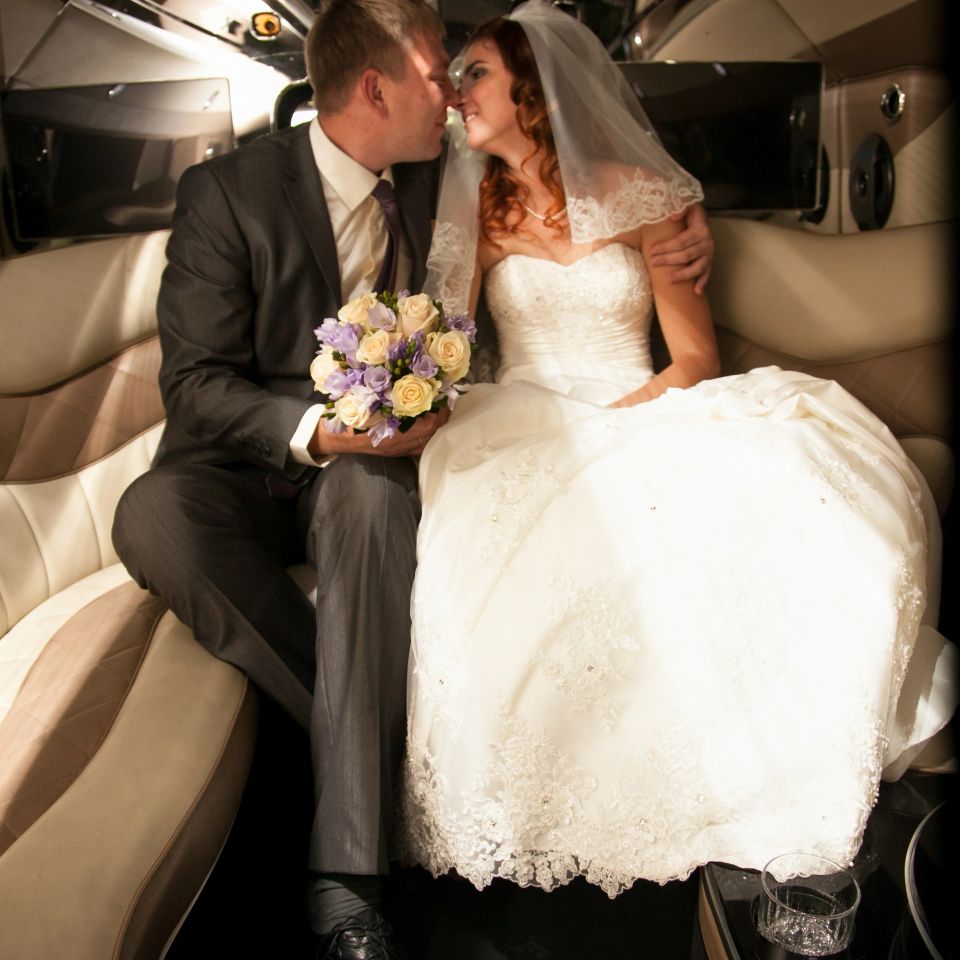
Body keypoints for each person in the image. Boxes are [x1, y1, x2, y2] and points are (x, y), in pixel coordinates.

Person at [111, 0, 711, 955]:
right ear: (376, 87)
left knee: (366, 496)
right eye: (442, 74)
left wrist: (683, 234)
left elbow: (592, 191)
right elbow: (194, 387)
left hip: (377, 462)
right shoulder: (226, 193)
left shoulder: (454, 173)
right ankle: (386, 738)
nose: (454, 93)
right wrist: (316, 430)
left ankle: (346, 878)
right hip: (255, 458)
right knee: (149, 517)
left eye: (468, 77)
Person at [398, 0, 956, 898]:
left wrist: (622, 414)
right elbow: (449, 352)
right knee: (497, 524)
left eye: (477, 75)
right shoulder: (477, 217)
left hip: (645, 400)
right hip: (523, 414)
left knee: (765, 499)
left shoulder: (647, 196)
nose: (459, 93)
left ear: (532, 91)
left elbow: (695, 358)